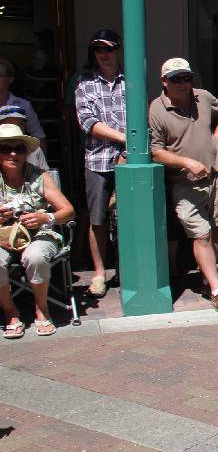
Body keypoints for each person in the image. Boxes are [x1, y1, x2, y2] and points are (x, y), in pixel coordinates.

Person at [148, 58, 218, 313]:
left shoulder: (203, 96)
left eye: (186, 78)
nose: (183, 84)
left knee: (215, 230)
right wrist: (185, 162)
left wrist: (217, 137)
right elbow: (155, 152)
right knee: (201, 233)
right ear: (164, 81)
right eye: (176, 79)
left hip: (215, 175)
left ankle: (209, 280)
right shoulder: (156, 109)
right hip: (185, 183)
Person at [0, 123, 75, 339]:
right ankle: (10, 312)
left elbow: (68, 211)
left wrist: (45, 217)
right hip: (4, 238)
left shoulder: (40, 177)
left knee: (35, 256)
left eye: (19, 148)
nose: (13, 153)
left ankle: (42, 309)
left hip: (39, 235)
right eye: (6, 149)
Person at [74, 29, 126, 299]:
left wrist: (128, 148)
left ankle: (127, 269)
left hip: (128, 160)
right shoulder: (84, 83)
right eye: (98, 49)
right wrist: (123, 138)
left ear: (118, 50)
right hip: (97, 159)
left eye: (109, 49)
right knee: (98, 219)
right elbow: (87, 122)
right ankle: (99, 273)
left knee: (128, 218)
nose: (104, 54)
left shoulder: (131, 82)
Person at [0, 59, 48, 169]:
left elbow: (38, 135)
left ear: (10, 79)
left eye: (0, 75)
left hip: (15, 159)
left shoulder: (23, 105)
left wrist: (42, 167)